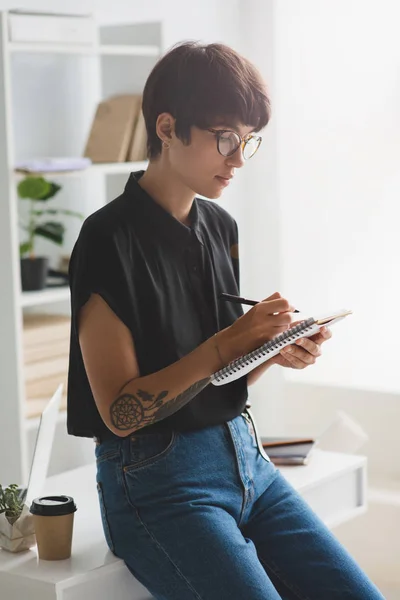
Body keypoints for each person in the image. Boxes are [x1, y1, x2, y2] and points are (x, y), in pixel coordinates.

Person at [67, 41, 384, 600]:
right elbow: (120, 412)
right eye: (225, 140)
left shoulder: (220, 225)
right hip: (160, 486)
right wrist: (228, 342)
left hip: (246, 463)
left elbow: (214, 379)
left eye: (248, 142)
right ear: (167, 127)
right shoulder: (106, 239)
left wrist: (271, 349)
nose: (238, 160)